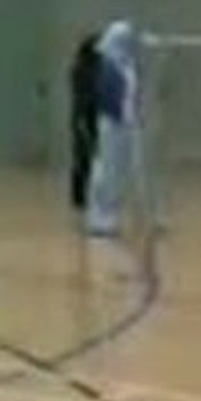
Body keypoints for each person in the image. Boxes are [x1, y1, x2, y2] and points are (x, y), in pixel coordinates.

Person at [85, 18, 141, 238]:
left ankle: (115, 215)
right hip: (112, 124)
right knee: (107, 170)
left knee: (121, 171)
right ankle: (100, 218)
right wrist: (121, 120)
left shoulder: (126, 65)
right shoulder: (108, 66)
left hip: (125, 124)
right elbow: (109, 98)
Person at [68, 33, 101, 211]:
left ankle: (87, 196)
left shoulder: (93, 67)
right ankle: (80, 197)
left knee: (89, 158)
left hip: (90, 116)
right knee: (83, 157)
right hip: (85, 116)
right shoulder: (82, 69)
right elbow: (85, 97)